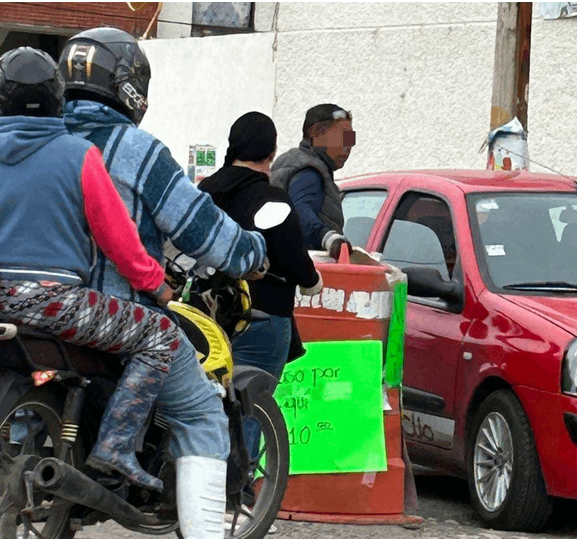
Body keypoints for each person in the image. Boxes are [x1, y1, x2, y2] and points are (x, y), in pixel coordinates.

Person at [58, 28, 267, 539]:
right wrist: (251, 253)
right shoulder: (139, 152)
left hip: (35, 310)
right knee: (201, 414)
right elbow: (203, 231)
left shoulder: (40, 139)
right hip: (112, 317)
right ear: (131, 87)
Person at [0, 46, 178, 492]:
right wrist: (156, 286)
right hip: (55, 303)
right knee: (160, 336)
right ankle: (115, 446)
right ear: (57, 97)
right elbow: (119, 239)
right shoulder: (77, 155)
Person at [199, 111, 322, 456]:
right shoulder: (272, 200)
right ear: (270, 154)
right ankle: (238, 494)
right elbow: (296, 260)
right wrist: (313, 281)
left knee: (203, 407)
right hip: (261, 317)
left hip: (204, 316)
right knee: (250, 409)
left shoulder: (204, 193)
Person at [271, 103, 356, 259]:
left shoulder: (289, 161)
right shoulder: (309, 171)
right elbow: (300, 211)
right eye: (343, 136)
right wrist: (328, 238)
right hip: (302, 273)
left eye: (351, 138)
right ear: (317, 133)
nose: (349, 145)